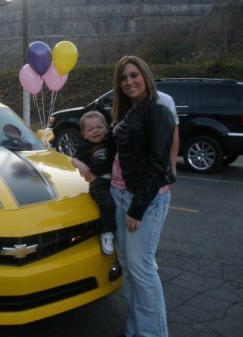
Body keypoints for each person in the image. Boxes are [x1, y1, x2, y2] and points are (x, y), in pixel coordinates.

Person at [110, 55, 175, 337]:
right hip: (119, 195)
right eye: (124, 78)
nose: (129, 82)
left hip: (144, 201)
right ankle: (135, 330)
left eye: (134, 75)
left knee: (142, 268)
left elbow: (158, 163)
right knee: (128, 266)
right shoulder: (128, 112)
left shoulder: (157, 111)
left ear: (145, 77)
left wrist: (136, 209)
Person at [71, 111, 116, 255]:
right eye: (90, 129)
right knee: (108, 204)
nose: (95, 131)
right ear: (84, 134)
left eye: (99, 127)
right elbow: (74, 159)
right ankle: (106, 234)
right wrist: (80, 165)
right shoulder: (84, 147)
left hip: (116, 180)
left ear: (106, 128)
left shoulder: (111, 140)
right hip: (99, 182)